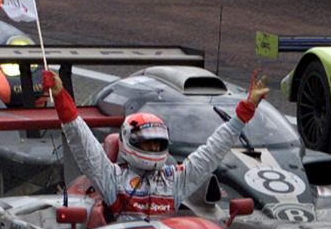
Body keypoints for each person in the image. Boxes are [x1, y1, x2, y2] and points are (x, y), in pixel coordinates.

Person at [43, 69, 269, 221]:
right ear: (128, 141)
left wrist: (244, 113)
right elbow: (84, 145)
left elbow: (211, 153)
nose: (152, 149)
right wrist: (61, 98)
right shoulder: (112, 178)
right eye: (147, 144)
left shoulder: (175, 180)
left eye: (157, 144)